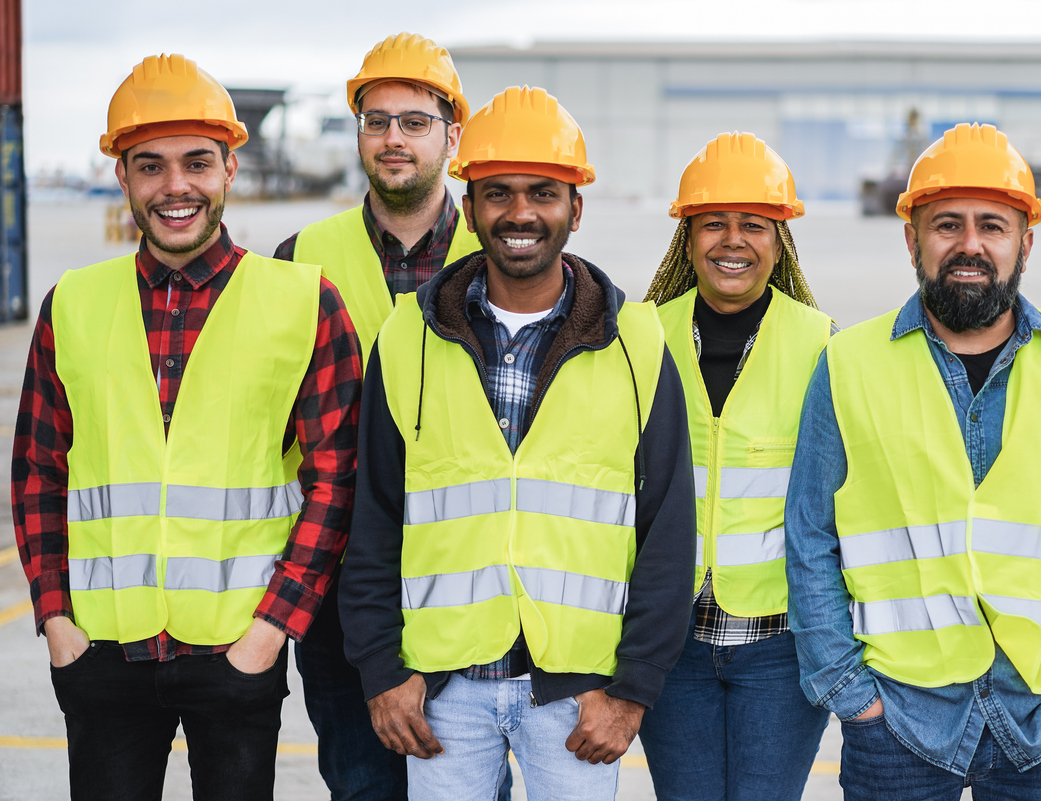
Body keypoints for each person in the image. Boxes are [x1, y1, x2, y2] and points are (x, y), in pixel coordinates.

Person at [10, 54, 360, 800]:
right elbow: (39, 467)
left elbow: (336, 476)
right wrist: (57, 620)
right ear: (124, 178)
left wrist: (272, 630)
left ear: (230, 168)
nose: (176, 186)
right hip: (102, 650)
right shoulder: (72, 302)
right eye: (151, 165)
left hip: (237, 648)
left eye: (197, 162)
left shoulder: (303, 300)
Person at [339, 85, 696, 800]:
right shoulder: (407, 336)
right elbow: (373, 517)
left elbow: (667, 535)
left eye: (543, 192)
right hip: (442, 694)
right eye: (497, 193)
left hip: (577, 698)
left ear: (575, 208)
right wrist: (382, 671)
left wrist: (629, 693)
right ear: (469, 209)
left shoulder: (638, 344)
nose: (521, 212)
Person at [784, 122, 1041, 801]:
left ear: (1025, 241)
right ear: (911, 239)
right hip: (896, 717)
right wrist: (848, 694)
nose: (969, 244)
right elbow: (809, 537)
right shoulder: (847, 364)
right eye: (945, 224)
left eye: (992, 225)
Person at [272, 33, 481, 801]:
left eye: (415, 121)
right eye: (377, 120)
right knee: (361, 786)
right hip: (337, 585)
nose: (393, 138)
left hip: (471, 580)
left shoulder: (504, 255)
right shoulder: (297, 259)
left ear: (452, 136)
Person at [638, 132, 831, 800]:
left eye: (753, 224)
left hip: (779, 649)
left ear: (779, 240)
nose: (732, 240)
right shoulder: (640, 337)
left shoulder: (819, 342)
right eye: (713, 222)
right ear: (686, 236)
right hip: (669, 644)